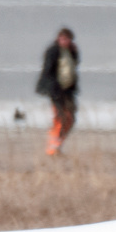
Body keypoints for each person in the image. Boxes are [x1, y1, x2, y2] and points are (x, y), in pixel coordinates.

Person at [35, 28, 79, 156]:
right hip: (55, 90)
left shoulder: (72, 51)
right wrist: (51, 89)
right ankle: (52, 149)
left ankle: (57, 145)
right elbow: (47, 72)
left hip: (68, 91)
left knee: (70, 119)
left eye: (67, 39)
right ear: (58, 38)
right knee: (60, 118)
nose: (64, 41)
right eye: (62, 38)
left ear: (70, 40)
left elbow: (74, 68)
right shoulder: (53, 51)